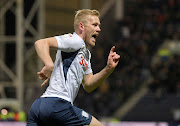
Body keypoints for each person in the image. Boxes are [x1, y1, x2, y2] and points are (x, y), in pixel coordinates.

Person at [27, 9, 120, 126]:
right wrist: (49, 64)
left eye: (99, 25)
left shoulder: (85, 53)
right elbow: (41, 43)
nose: (99, 29)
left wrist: (108, 68)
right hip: (58, 105)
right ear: (82, 26)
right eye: (94, 25)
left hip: (40, 106)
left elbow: (88, 85)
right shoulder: (76, 41)